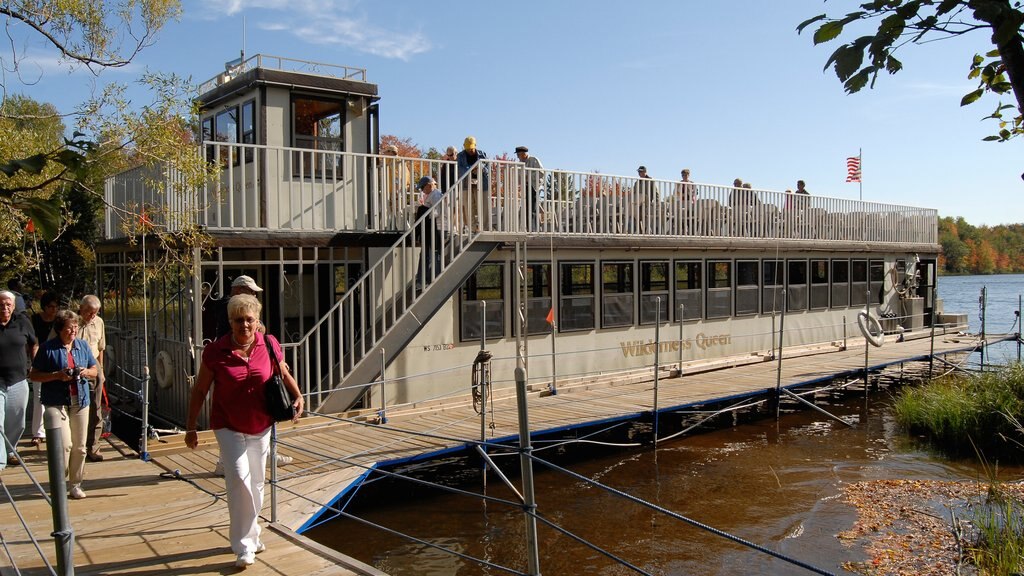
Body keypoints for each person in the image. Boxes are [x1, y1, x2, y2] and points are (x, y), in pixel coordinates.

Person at [184, 294, 303, 568]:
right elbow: (200, 390)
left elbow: (283, 373)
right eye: (239, 320)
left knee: (257, 483)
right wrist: (191, 427)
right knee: (238, 480)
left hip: (261, 425)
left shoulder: (269, 344)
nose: (244, 325)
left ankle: (253, 534)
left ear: (257, 321)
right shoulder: (216, 352)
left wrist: (299, 396)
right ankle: (244, 546)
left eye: (249, 319)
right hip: (228, 425)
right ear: (230, 322)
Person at [27, 309, 95, 499]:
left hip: (80, 400)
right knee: (64, 445)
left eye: (75, 327)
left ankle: (76, 484)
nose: (73, 331)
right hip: (56, 402)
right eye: (69, 328)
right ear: (59, 329)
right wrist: (57, 375)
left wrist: (84, 372)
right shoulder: (48, 348)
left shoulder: (82, 346)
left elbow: (95, 370)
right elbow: (33, 375)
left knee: (80, 447)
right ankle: (59, 482)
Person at [0, 290, 36, 469]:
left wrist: (34, 364)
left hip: (18, 378)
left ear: (14, 306)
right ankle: (0, 462)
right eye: (1, 304)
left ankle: (9, 450)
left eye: (8, 304)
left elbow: (34, 343)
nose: (5, 308)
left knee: (17, 421)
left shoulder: (22, 322)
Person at [28, 291, 58, 449]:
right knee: (39, 397)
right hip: (41, 359)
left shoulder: (59, 320)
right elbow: (33, 343)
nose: (53, 310)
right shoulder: (35, 320)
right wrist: (34, 363)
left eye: (55, 306)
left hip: (57, 360)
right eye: (50, 307)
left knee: (57, 396)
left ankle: (57, 428)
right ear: (44, 307)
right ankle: (38, 433)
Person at [78, 295, 107, 462]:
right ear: (81, 309)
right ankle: (77, 445)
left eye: (95, 313)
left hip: (93, 363)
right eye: (89, 313)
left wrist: (101, 370)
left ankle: (93, 446)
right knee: (78, 407)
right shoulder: (73, 322)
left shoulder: (99, 322)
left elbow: (101, 347)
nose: (92, 316)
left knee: (96, 408)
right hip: (76, 362)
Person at [414, 176, 443, 289]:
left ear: (429, 185)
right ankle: (422, 280)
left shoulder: (436, 194)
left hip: (434, 228)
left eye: (423, 188)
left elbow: (437, 211)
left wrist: (426, 212)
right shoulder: (431, 195)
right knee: (427, 254)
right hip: (430, 227)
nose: (422, 190)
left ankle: (428, 279)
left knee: (431, 255)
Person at [456, 137, 490, 232]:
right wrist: (472, 169)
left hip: (482, 184)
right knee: (468, 207)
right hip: (467, 185)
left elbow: (488, 167)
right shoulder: (460, 156)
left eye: (471, 148)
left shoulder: (482, 154)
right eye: (468, 148)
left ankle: (484, 228)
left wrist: (480, 168)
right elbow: (460, 169)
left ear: (475, 145)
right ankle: (473, 228)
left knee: (483, 207)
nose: (470, 150)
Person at [515, 146, 544, 230]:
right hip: (526, 188)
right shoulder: (521, 163)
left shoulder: (534, 160)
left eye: (518, 154)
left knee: (532, 209)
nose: (517, 157)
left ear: (524, 154)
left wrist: (529, 177)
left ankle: (533, 230)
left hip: (534, 187)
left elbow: (541, 172)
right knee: (527, 209)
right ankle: (530, 229)